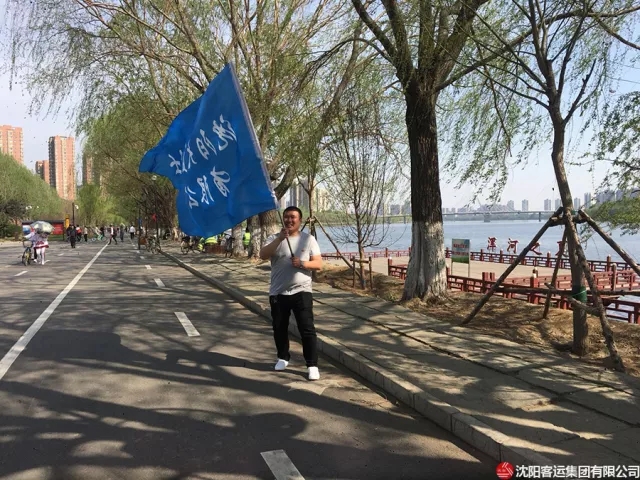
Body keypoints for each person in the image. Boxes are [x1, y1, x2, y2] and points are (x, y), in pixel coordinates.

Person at [259, 206, 323, 381]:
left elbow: (318, 264)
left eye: (293, 217)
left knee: (307, 328)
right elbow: (263, 255)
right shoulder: (274, 238)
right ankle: (283, 357)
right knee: (279, 328)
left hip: (302, 291)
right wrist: (279, 239)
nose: (289, 220)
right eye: (286, 217)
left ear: (299, 220)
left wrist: (302, 263)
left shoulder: (308, 239)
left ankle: (312, 365)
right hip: (278, 292)